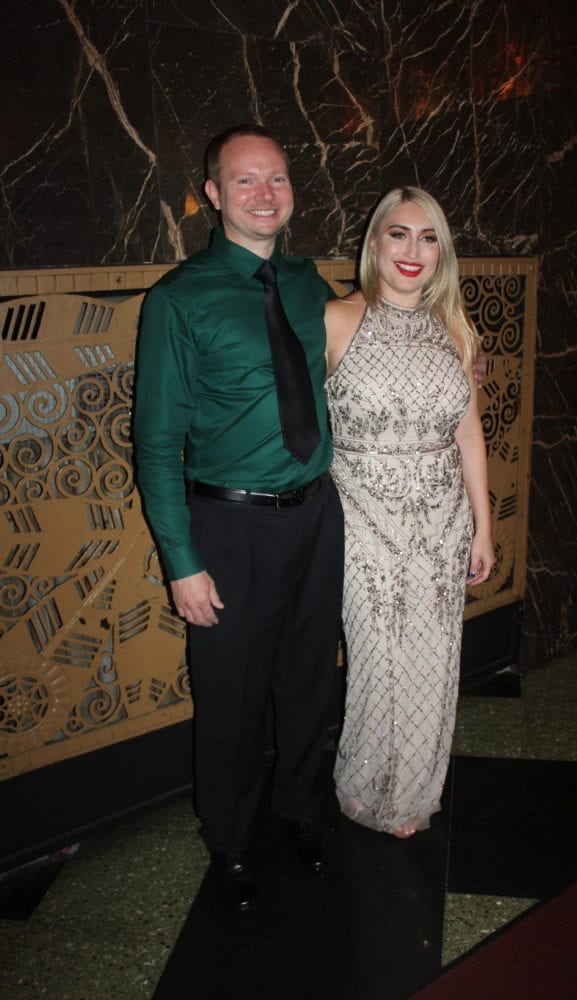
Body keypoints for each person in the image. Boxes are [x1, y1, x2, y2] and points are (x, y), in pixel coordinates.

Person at [133, 124, 345, 910]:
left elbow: (385, 336)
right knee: (230, 698)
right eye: (245, 180)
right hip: (228, 527)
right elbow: (156, 443)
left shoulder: (311, 284)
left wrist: (462, 355)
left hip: (317, 516)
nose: (264, 194)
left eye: (277, 178)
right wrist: (181, 561)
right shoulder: (178, 299)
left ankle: (299, 809)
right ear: (213, 195)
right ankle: (228, 840)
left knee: (308, 682)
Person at [325, 186, 494, 838]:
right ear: (373, 243)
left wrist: (483, 526)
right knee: (378, 662)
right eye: (399, 233)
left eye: (428, 239)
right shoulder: (335, 319)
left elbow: (469, 434)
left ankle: (415, 793)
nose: (412, 250)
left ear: (441, 254)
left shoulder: (452, 327)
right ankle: (365, 787)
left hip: (443, 524)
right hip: (363, 525)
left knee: (433, 660)